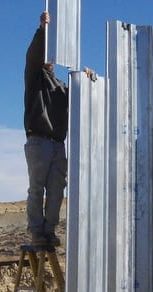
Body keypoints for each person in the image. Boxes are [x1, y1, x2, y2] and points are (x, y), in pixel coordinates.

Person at [24, 11, 94, 247]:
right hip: (38, 140)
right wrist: (43, 31)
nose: (50, 59)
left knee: (56, 188)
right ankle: (36, 232)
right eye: (48, 54)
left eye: (52, 56)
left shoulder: (62, 87)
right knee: (36, 188)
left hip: (57, 143)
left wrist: (88, 80)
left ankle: (49, 231)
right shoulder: (35, 77)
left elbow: (82, 98)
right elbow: (33, 55)